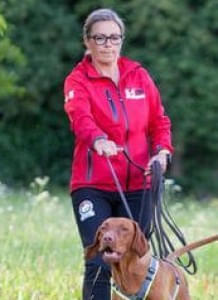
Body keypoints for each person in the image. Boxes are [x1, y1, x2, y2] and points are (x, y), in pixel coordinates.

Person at [63, 8, 173, 300]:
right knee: (100, 259)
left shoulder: (139, 75)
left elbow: (159, 122)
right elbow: (80, 118)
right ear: (87, 41)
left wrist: (162, 153)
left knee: (135, 258)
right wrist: (98, 140)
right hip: (92, 186)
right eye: (99, 37)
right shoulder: (77, 80)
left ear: (121, 40)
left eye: (114, 37)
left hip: (139, 183)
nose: (107, 44)